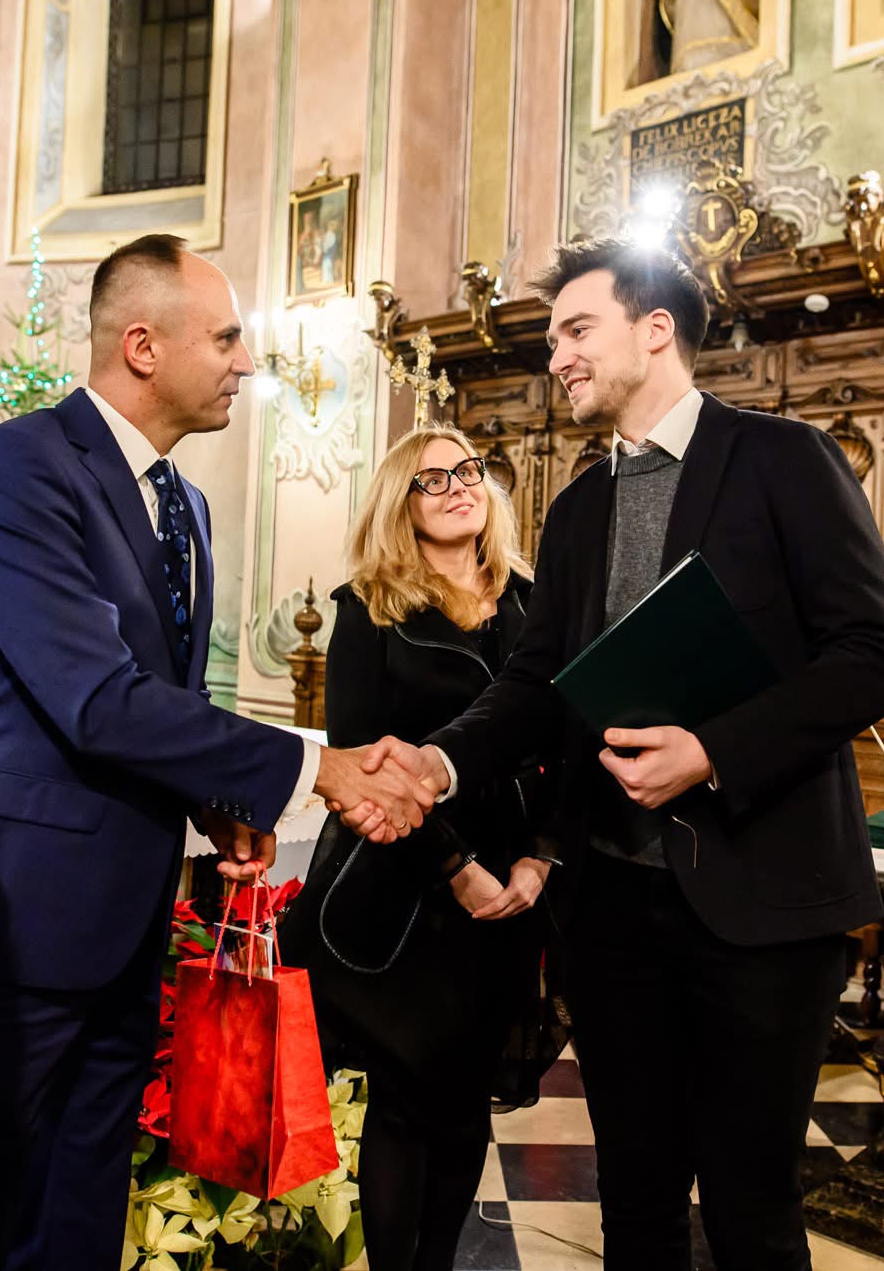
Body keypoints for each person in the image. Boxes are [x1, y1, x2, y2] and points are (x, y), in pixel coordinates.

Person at [367, 239, 884, 1268]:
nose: (556, 358)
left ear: (654, 328)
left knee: (752, 1212)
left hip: (760, 901)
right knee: (635, 1201)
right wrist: (439, 764)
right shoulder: (579, 507)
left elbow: (876, 655)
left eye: (576, 330)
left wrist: (711, 750)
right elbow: (535, 683)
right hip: (613, 909)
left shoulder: (782, 461)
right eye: (552, 340)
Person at [0, 232, 437, 1271]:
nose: (247, 361)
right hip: (14, 920)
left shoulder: (183, 504)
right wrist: (317, 766)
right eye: (226, 338)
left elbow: (168, 696)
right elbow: (96, 700)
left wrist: (217, 804)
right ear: (142, 345)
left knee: (81, 1211)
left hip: (129, 919)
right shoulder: (16, 466)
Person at [280, 427, 561, 1271]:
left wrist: (540, 856)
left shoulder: (534, 602)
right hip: (405, 888)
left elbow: (566, 738)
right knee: (406, 1105)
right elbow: (362, 765)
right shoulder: (368, 608)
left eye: (467, 471)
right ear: (399, 504)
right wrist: (457, 869)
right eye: (430, 480)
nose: (457, 487)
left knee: (467, 1104)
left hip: (512, 885)